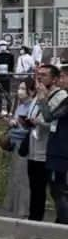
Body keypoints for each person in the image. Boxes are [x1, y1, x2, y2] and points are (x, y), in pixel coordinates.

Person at [26, 65, 63, 221]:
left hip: (48, 151)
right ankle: (35, 222)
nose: (40, 78)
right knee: (35, 190)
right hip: (33, 149)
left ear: (54, 79)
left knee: (55, 192)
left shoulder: (60, 97)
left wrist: (38, 121)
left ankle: (59, 225)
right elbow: (32, 114)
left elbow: (53, 121)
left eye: (44, 75)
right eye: (38, 74)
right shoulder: (38, 95)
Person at [39, 64, 68, 224]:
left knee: (59, 191)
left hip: (61, 151)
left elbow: (49, 117)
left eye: (64, 77)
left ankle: (63, 230)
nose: (61, 80)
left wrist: (43, 100)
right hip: (59, 149)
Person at [4, 79, 35, 218]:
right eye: (19, 88)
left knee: (24, 180)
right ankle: (15, 209)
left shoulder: (32, 106)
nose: (20, 91)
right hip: (15, 144)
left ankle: (24, 211)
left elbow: (29, 129)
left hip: (25, 146)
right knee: (15, 178)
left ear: (31, 91)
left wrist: (17, 125)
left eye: (23, 88)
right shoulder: (19, 106)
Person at [0, 41, 14, 116]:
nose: (3, 46)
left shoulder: (10, 56)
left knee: (7, 95)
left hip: (7, 77)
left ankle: (8, 112)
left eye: (4, 45)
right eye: (1, 45)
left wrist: (10, 74)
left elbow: (12, 66)